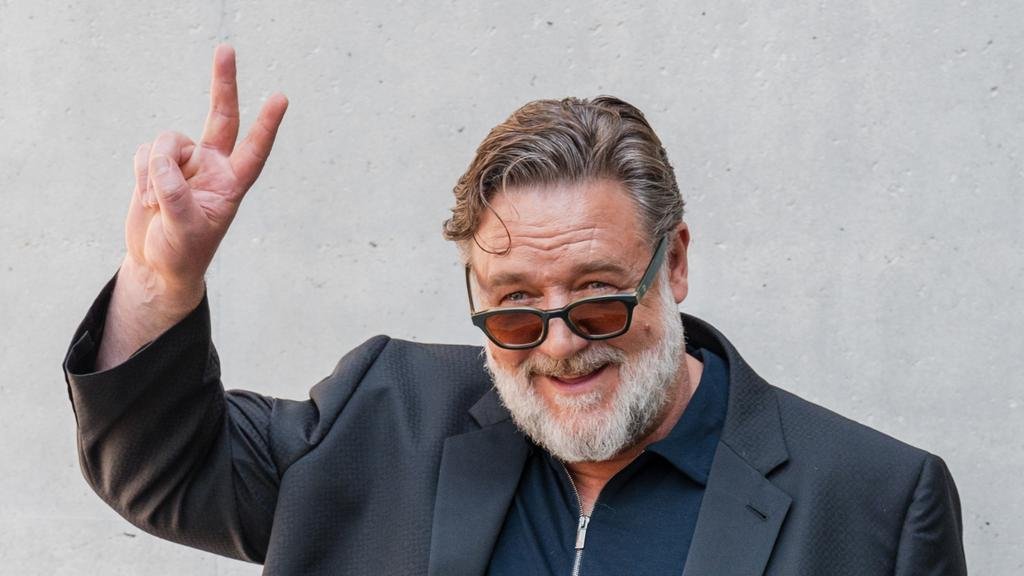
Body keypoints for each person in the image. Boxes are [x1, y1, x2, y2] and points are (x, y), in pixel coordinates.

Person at [63, 45, 967, 575]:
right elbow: (164, 470)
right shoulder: (386, 414)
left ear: (675, 263)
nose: (561, 345)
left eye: (599, 298)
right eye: (516, 308)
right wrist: (162, 279)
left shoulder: (876, 505)